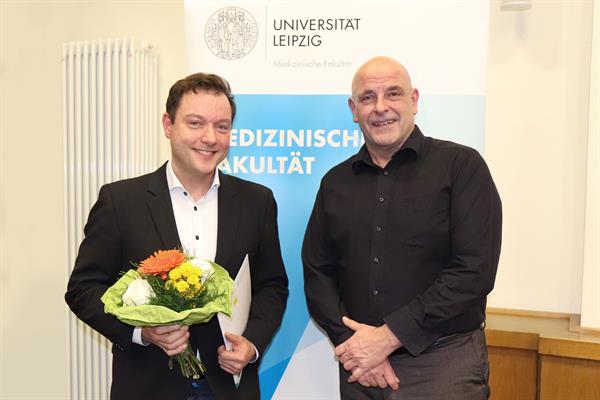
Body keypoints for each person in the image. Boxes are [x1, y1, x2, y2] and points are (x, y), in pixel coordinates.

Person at [65, 73, 289, 400]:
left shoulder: (257, 202)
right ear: (168, 125)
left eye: (222, 126)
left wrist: (252, 344)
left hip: (229, 387)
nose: (210, 137)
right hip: (147, 386)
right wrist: (142, 332)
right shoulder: (121, 201)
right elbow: (83, 289)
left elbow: (272, 286)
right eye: (195, 123)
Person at [302, 56, 502, 400]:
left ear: (414, 100)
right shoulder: (335, 183)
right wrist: (355, 345)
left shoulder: (462, 167)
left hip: (442, 366)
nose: (381, 107)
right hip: (359, 367)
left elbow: (474, 271)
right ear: (354, 109)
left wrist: (389, 336)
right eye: (367, 98)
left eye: (393, 94)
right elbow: (317, 270)